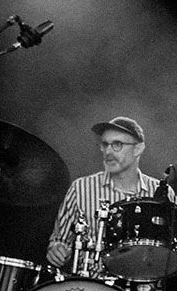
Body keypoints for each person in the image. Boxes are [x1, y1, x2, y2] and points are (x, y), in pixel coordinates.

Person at [46, 116, 162, 273]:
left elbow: (168, 255)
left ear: (138, 149)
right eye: (105, 144)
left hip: (141, 289)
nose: (108, 152)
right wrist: (57, 250)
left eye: (117, 145)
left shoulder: (161, 193)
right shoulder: (81, 188)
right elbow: (60, 240)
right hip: (89, 286)